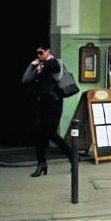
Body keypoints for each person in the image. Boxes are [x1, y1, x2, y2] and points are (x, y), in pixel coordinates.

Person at [21, 44, 72, 177]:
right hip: (40, 104)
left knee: (51, 134)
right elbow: (25, 79)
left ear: (48, 51)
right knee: (38, 133)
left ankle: (72, 157)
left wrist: (43, 64)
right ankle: (41, 164)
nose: (38, 55)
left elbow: (53, 68)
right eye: (36, 53)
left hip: (54, 104)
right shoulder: (39, 65)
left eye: (41, 52)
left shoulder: (54, 63)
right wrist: (33, 64)